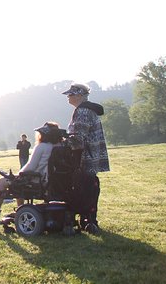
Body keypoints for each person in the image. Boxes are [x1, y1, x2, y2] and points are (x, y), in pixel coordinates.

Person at [0, 122, 62, 223]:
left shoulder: (42, 147)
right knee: (19, 181)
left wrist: (19, 174)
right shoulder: (61, 146)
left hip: (39, 182)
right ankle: (19, 212)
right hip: (55, 183)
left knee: (3, 181)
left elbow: (30, 166)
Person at [63, 83, 109, 232]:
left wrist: (61, 141)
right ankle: (89, 219)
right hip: (91, 156)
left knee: (82, 188)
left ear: (80, 96)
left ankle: (84, 219)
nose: (68, 97)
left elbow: (78, 138)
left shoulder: (82, 112)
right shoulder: (89, 110)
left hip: (84, 158)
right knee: (90, 188)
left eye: (71, 94)